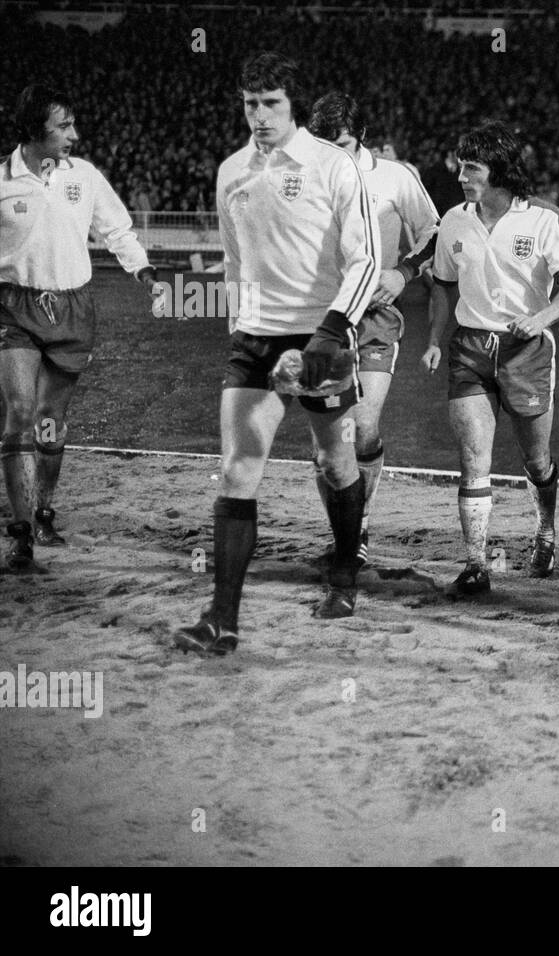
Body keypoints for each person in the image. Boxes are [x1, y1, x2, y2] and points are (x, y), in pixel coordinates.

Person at [173, 52, 380, 655]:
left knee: (335, 463)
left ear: (293, 106)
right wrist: (239, 325)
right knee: (239, 468)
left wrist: (332, 332)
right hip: (256, 340)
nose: (258, 115)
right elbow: (235, 261)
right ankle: (221, 619)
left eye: (271, 104)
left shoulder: (333, 165)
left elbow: (364, 259)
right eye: (249, 103)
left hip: (322, 336)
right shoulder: (231, 170)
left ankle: (344, 574)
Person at [422, 121, 559, 597]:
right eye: (461, 165)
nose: (461, 175)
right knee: (474, 458)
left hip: (527, 352)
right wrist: (434, 338)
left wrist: (542, 319)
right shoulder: (454, 220)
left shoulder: (543, 218)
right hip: (470, 349)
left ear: (500, 170)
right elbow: (444, 286)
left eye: (471, 166)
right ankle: (475, 564)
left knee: (536, 461)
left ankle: (545, 533)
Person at [0, 84, 156, 570]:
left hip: (72, 310)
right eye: (63, 126)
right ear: (33, 131)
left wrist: (145, 272)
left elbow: (116, 230)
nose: (74, 134)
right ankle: (21, 532)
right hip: (14, 309)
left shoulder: (83, 176)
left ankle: (45, 510)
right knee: (20, 414)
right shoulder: (1, 182)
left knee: (50, 421)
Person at [307, 91, 441, 564]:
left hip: (374, 317)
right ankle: (345, 538)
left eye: (342, 143)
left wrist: (402, 272)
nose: (334, 154)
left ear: (363, 136)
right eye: (325, 144)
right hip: (320, 319)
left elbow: (434, 232)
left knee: (363, 428)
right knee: (330, 444)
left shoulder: (394, 177)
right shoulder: (304, 176)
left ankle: (358, 528)